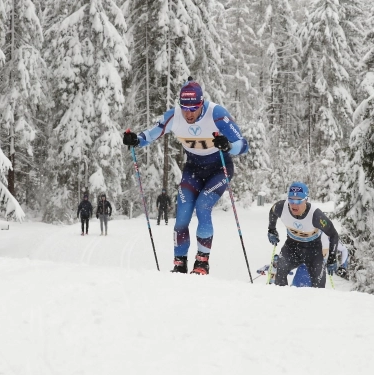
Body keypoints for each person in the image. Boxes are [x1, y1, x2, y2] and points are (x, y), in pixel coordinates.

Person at [123, 76, 249, 275]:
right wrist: (136, 139)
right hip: (193, 169)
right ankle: (179, 263)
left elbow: (243, 145)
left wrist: (228, 145)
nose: (189, 114)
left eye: (194, 109)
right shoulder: (175, 116)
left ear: (201, 104)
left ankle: (202, 262)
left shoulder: (216, 114)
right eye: (185, 108)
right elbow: (151, 134)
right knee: (181, 216)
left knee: (203, 206)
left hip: (219, 169)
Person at [267, 181, 339, 288]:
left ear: (306, 200)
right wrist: (271, 230)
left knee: (319, 283)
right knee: (280, 269)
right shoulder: (281, 207)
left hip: (313, 250)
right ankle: (281, 300)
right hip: (291, 247)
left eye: (298, 201)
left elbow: (333, 234)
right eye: (291, 200)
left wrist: (332, 258)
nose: (294, 205)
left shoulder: (316, 215)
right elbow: (272, 212)